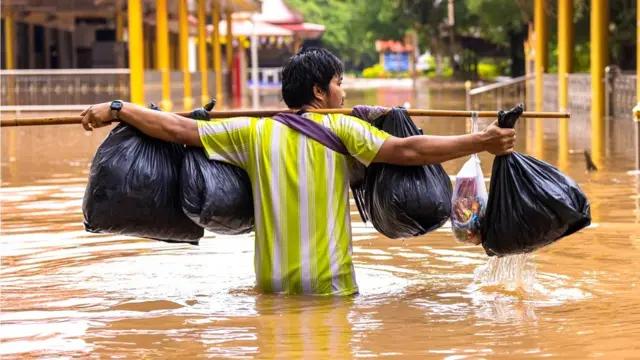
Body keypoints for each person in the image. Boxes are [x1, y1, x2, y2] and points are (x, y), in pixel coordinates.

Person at [80, 48, 516, 296]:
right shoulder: (344, 129)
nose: (343, 91)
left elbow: (178, 129)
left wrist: (118, 108)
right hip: (332, 287)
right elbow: (409, 150)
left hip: (270, 288)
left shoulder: (253, 133)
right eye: (339, 82)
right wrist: (481, 141)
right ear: (318, 91)